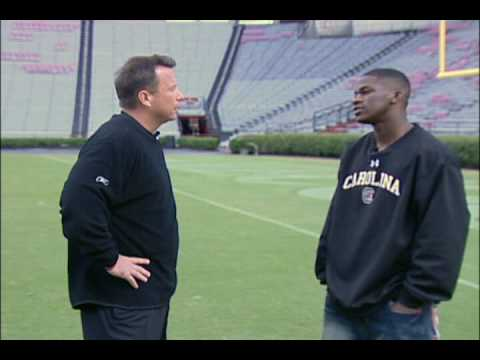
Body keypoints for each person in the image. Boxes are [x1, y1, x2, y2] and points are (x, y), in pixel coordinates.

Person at [314, 68, 470, 340]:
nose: (356, 99)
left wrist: (412, 299)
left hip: (395, 311)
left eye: (365, 92)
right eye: (355, 93)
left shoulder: (432, 157)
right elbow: (338, 216)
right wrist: (327, 270)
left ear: (396, 96)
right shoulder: (355, 152)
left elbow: (443, 236)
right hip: (341, 303)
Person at [60, 54, 184, 340]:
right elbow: (77, 204)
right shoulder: (115, 140)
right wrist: (111, 259)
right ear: (145, 97)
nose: (180, 95)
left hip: (144, 299)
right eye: (171, 88)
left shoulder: (142, 139)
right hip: (121, 305)